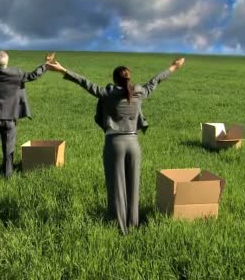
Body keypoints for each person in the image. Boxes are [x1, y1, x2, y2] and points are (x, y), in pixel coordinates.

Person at [45, 56, 185, 234]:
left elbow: (84, 82)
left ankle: (120, 228)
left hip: (114, 143)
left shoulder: (107, 94)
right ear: (129, 78)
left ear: (114, 80)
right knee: (133, 186)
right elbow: (155, 80)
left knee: (116, 186)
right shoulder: (139, 92)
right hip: (133, 143)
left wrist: (62, 70)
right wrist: (174, 67)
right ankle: (133, 225)